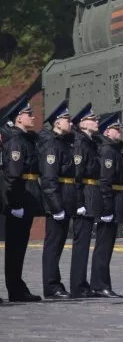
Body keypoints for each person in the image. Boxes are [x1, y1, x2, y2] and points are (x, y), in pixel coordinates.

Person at [1, 96, 43, 302]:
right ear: (18, 119)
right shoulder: (16, 142)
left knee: (19, 248)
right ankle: (15, 288)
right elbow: (12, 176)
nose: (33, 117)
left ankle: (17, 287)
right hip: (18, 199)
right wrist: (14, 204)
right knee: (15, 248)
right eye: (29, 114)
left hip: (25, 198)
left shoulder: (26, 139)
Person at [39, 99, 75, 299]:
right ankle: (51, 286)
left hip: (65, 200)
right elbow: (49, 179)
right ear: (57, 122)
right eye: (66, 119)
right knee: (53, 246)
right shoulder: (52, 146)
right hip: (57, 202)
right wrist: (56, 207)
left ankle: (55, 284)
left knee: (58, 245)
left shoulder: (63, 144)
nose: (70, 122)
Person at [91, 112, 123, 298]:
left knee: (107, 245)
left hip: (114, 197)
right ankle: (100, 285)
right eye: (116, 128)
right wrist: (107, 208)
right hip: (109, 200)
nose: (119, 131)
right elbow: (105, 181)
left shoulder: (113, 149)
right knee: (103, 246)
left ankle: (101, 283)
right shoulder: (107, 151)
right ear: (107, 132)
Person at [69, 103, 101, 298]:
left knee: (84, 243)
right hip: (84, 198)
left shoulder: (89, 141)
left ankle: (81, 284)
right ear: (82, 123)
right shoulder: (80, 143)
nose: (97, 122)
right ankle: (77, 286)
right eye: (93, 119)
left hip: (90, 195)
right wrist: (79, 203)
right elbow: (77, 176)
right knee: (81, 244)